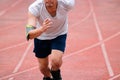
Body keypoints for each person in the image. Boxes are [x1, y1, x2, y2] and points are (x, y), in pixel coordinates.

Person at [26, 0, 75, 80]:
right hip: (41, 37)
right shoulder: (34, 8)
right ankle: (48, 77)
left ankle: (57, 76)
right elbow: (29, 35)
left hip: (59, 34)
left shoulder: (67, 4)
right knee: (43, 68)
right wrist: (41, 29)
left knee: (56, 62)